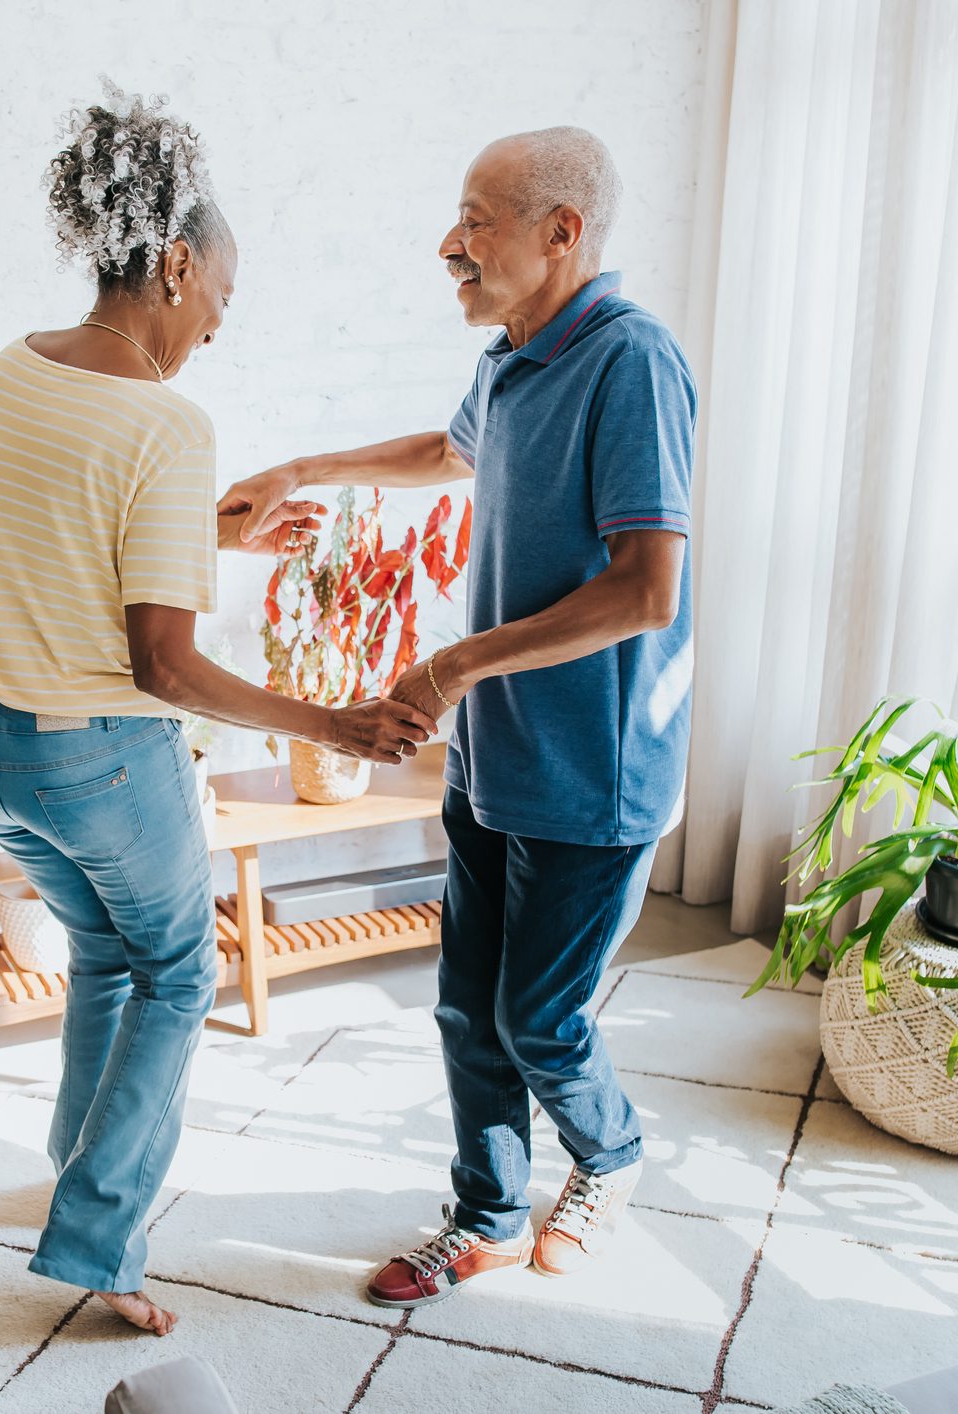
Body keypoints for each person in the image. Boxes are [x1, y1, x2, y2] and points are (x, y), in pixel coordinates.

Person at [0, 85, 434, 1336]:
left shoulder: (15, 369)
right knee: (179, 966)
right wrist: (332, 725)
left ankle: (73, 1172)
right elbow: (159, 667)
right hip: (96, 756)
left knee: (110, 951)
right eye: (216, 295)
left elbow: (55, 536)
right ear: (171, 264)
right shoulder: (167, 418)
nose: (215, 324)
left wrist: (218, 537)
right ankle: (99, 1244)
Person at [220, 126, 696, 1305]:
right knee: (462, 1007)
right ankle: (483, 1216)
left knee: (540, 1021)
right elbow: (449, 450)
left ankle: (614, 1155)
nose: (452, 244)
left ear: (561, 233)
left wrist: (447, 667)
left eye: (478, 220)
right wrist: (300, 468)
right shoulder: (511, 355)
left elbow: (647, 590)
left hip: (596, 767)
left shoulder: (631, 362)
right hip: (496, 755)